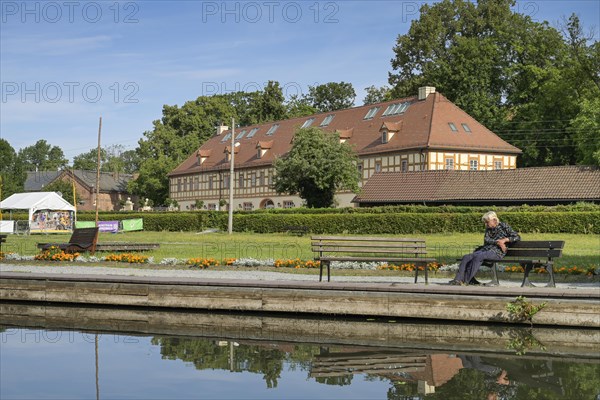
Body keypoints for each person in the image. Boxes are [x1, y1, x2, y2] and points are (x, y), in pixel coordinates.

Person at [449, 211, 520, 286]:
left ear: (494, 220)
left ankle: (465, 281)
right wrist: (497, 242)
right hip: (485, 250)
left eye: (487, 222)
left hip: (497, 252)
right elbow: (487, 240)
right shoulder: (488, 229)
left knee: (479, 256)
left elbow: (517, 237)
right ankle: (457, 280)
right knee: (466, 257)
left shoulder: (504, 226)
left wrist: (504, 240)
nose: (485, 224)